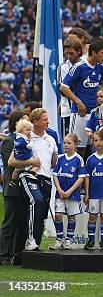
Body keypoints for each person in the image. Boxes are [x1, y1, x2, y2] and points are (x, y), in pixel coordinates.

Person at [10, 108, 58, 252]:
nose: (48, 122)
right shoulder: (26, 137)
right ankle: (29, 240)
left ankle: (34, 247)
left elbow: (54, 159)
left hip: (46, 179)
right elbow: (12, 162)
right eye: (44, 119)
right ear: (35, 122)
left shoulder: (51, 139)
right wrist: (31, 162)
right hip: (29, 176)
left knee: (41, 213)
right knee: (35, 201)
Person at [60, 37, 103, 156]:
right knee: (76, 148)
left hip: (94, 113)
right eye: (102, 53)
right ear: (94, 52)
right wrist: (78, 102)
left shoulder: (100, 68)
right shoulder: (79, 67)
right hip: (79, 114)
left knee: (96, 148)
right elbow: (63, 87)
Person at [0, 110, 29, 265]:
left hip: (24, 186)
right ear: (17, 123)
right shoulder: (9, 141)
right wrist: (31, 161)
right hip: (12, 187)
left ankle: (16, 254)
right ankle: (3, 255)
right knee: (9, 222)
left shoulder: (24, 140)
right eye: (24, 121)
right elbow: (9, 162)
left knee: (21, 221)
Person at [49, 134, 87, 250]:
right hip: (60, 194)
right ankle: (59, 239)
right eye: (65, 143)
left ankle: (69, 240)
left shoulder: (78, 159)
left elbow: (81, 178)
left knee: (71, 216)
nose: (66, 145)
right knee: (58, 215)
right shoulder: (60, 158)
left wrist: (69, 191)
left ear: (75, 145)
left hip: (73, 194)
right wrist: (60, 190)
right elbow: (55, 175)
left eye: (69, 143)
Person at [59, 38, 82, 136]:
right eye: (67, 53)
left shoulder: (85, 64)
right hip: (68, 111)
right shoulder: (63, 67)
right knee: (69, 143)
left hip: (86, 110)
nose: (69, 56)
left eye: (71, 53)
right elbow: (64, 90)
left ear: (79, 51)